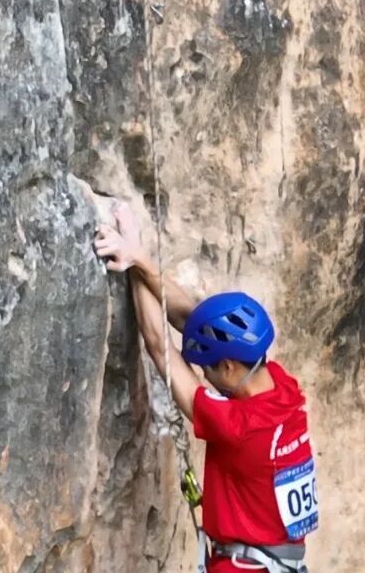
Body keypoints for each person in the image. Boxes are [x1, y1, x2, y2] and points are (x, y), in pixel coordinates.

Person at [95, 203, 317, 573]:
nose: (203, 373)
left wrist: (134, 265)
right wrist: (139, 256)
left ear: (229, 366)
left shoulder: (238, 427)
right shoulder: (283, 389)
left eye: (206, 368)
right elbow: (190, 318)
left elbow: (159, 347)